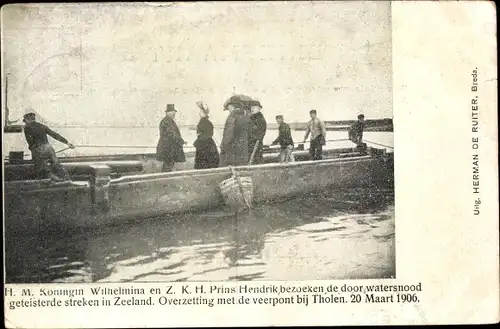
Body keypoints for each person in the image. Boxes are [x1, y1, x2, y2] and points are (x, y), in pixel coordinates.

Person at [22, 111, 75, 181]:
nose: (25, 123)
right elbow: (55, 135)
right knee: (57, 164)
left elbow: (30, 141)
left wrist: (32, 149)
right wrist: (67, 143)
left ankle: (56, 181)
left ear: (27, 120)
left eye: (25, 121)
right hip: (48, 148)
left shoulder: (27, 127)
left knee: (43, 169)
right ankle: (67, 179)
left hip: (38, 150)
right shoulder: (42, 126)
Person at [219, 99, 250, 167]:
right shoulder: (246, 117)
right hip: (243, 152)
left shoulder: (232, 116)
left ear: (231, 106)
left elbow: (228, 136)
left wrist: (223, 147)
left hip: (232, 153)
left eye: (229, 107)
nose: (229, 109)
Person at [156, 104, 186, 172]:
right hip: (168, 148)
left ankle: (164, 179)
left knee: (168, 165)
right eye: (172, 112)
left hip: (169, 148)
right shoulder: (167, 121)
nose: (174, 114)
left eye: (174, 112)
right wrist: (181, 141)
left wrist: (181, 141)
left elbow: (173, 134)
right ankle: (164, 180)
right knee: (167, 166)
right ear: (167, 113)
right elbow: (172, 134)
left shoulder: (168, 121)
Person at [193, 101, 219, 169]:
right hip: (208, 144)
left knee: (203, 163)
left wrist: (199, 137)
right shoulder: (207, 122)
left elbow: (205, 134)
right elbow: (210, 134)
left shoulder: (203, 122)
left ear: (204, 113)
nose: (199, 113)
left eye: (201, 112)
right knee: (209, 163)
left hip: (203, 144)